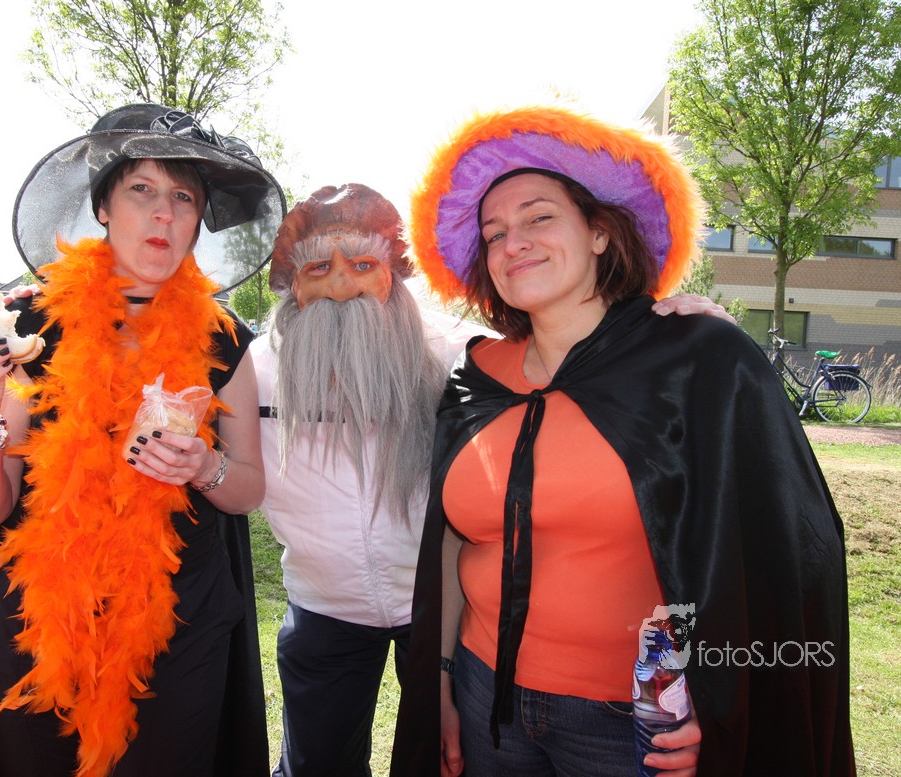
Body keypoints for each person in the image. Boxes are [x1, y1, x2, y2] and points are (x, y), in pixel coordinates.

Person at [392, 105, 856, 776]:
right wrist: (437, 675)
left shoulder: (694, 360)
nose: (512, 243)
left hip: (626, 725)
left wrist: (723, 702)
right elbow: (453, 540)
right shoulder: (474, 375)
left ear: (601, 233)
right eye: (493, 234)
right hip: (482, 696)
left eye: (538, 218)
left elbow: (783, 555)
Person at [254, 183, 735, 777]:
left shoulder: (460, 358)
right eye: (317, 269)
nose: (340, 286)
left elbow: (729, 541)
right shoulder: (255, 370)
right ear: (291, 285)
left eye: (361, 266)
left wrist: (679, 327)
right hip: (341, 616)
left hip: (465, 627)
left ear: (395, 275)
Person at [0, 104, 285, 777]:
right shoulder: (28, 328)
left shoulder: (225, 343)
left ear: (198, 220)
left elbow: (248, 489)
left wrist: (205, 465)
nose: (163, 214)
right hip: (39, 632)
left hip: (176, 633)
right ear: (103, 207)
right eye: (141, 190)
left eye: (183, 198)